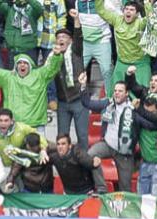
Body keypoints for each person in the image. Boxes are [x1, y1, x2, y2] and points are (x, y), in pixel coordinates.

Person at [0, 43, 62, 133]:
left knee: (39, 147)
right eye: (20, 63)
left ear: (30, 66)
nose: (22, 65)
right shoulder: (8, 78)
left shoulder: (40, 76)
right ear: (16, 66)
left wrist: (56, 55)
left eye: (25, 63)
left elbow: (52, 68)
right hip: (14, 126)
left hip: (36, 125)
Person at [80, 72, 137, 192]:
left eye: (120, 91)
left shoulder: (134, 110)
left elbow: (146, 125)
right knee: (90, 155)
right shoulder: (108, 103)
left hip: (124, 151)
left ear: (126, 94)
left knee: (125, 188)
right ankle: (101, 188)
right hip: (107, 145)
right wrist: (83, 86)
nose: (117, 93)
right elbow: (87, 103)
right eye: (115, 90)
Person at [126, 67, 157, 195]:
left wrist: (138, 110)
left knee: (156, 199)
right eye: (151, 80)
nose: (152, 83)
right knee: (142, 198)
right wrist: (129, 74)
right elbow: (133, 86)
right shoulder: (145, 93)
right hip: (145, 159)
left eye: (156, 81)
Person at [0, 109, 49, 191]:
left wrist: (43, 149)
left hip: (23, 165)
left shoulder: (21, 128)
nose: (3, 123)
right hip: (7, 167)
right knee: (8, 191)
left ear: (12, 121)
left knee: (24, 189)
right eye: (0, 121)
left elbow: (38, 135)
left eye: (6, 120)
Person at [95, 0, 152, 91]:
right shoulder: (117, 19)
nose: (128, 11)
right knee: (115, 94)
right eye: (126, 9)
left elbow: (151, 19)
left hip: (140, 65)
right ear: (123, 11)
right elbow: (101, 11)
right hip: (122, 63)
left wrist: (147, 3)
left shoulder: (141, 23)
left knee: (141, 95)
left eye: (132, 10)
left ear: (137, 14)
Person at [55, 10, 89, 151]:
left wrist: (76, 20)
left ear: (70, 40)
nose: (61, 39)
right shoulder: (53, 57)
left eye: (64, 36)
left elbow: (78, 35)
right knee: (62, 136)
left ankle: (85, 167)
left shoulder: (76, 50)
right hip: (62, 102)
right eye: (58, 37)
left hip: (79, 100)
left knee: (82, 136)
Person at [0, 0, 43, 67]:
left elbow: (39, 9)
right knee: (13, 75)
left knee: (30, 75)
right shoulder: (9, 9)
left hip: (29, 50)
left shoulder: (32, 10)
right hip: (13, 50)